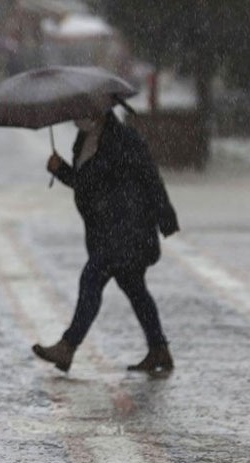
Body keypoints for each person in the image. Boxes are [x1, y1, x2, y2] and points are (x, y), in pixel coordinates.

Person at [32, 110, 179, 374]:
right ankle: (159, 349)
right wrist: (62, 170)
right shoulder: (85, 138)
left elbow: (148, 176)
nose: (77, 116)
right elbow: (86, 184)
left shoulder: (122, 139)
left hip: (128, 227)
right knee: (134, 287)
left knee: (92, 278)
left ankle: (67, 347)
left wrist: (165, 217)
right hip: (109, 230)